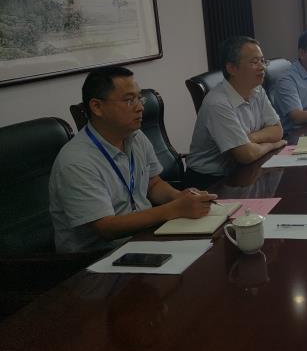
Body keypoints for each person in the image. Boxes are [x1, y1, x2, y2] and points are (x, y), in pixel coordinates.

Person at [49, 67, 217, 253]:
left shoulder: (135, 136)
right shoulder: (76, 161)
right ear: (97, 107)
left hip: (144, 236)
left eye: (139, 98)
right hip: (99, 257)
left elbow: (153, 184)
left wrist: (179, 197)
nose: (140, 107)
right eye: (129, 100)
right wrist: (174, 209)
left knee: (212, 247)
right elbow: (106, 228)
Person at [187, 36, 286, 180]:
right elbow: (246, 155)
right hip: (210, 180)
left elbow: (277, 130)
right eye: (254, 62)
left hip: (243, 169)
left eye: (263, 60)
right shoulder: (217, 103)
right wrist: (273, 145)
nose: (262, 67)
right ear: (232, 68)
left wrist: (251, 138)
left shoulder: (257, 90)